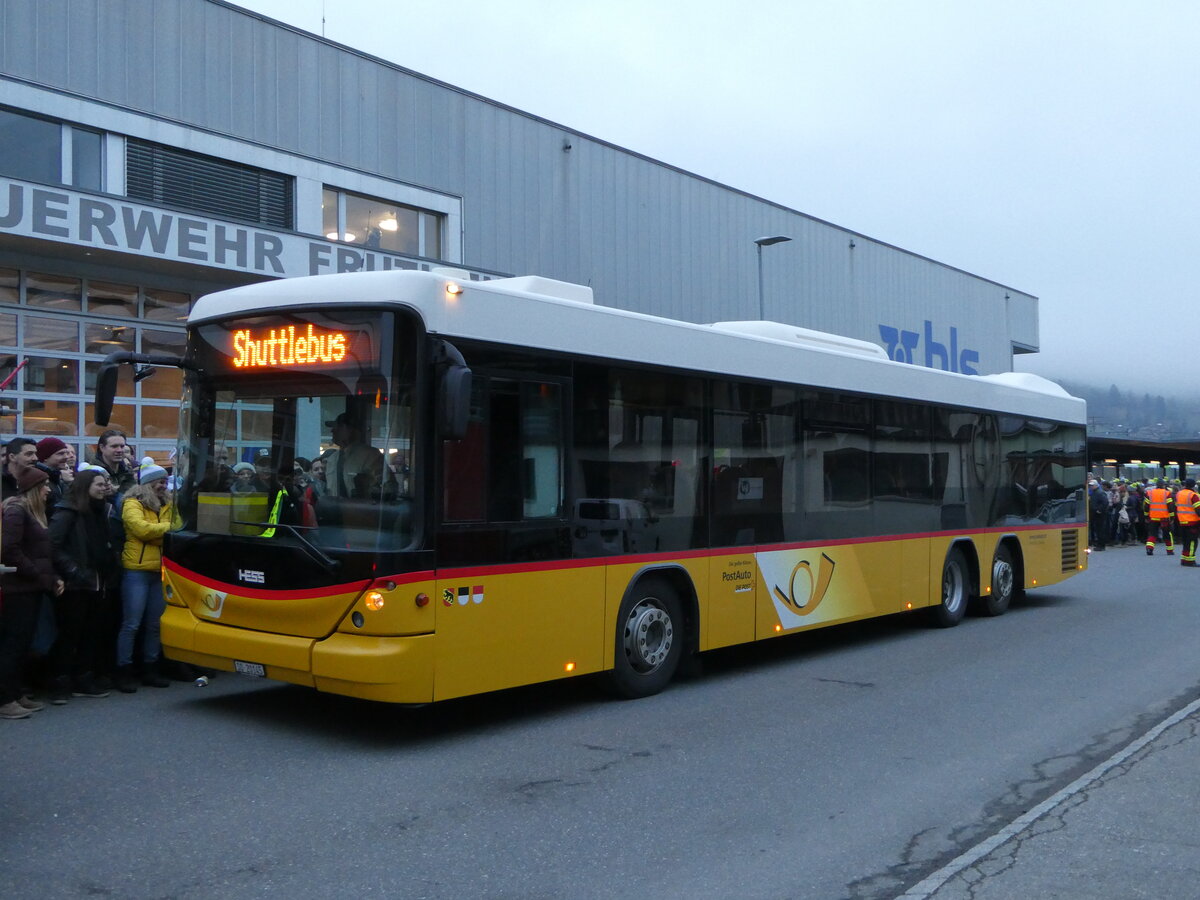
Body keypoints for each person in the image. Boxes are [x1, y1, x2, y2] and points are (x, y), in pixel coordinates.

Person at [47, 469, 119, 702]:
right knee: (70, 634)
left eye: (106, 483)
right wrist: (73, 572)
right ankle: (60, 681)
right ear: (85, 486)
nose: (104, 487)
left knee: (92, 633)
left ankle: (83, 678)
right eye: (99, 483)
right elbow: (53, 545)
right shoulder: (67, 511)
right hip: (76, 584)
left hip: (100, 581)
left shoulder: (104, 510)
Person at [0, 467, 63, 719]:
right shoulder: (17, 511)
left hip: (31, 587)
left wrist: (52, 576)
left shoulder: (33, 512)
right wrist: (38, 575)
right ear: (34, 489)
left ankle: (15, 693)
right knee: (12, 645)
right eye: (45, 485)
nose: (48, 489)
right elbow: (9, 550)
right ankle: (5, 699)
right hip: (18, 588)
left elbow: (42, 553)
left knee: (22, 643)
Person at [115, 459, 174, 692]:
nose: (163, 485)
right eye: (159, 481)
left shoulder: (169, 503)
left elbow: (170, 528)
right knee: (131, 624)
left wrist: (160, 532)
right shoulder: (132, 502)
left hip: (160, 570)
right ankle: (123, 670)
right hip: (136, 571)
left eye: (165, 481)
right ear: (148, 483)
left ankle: (151, 668)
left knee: (154, 624)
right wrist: (168, 529)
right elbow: (142, 530)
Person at [323, 413, 383, 499]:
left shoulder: (370, 455)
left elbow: (388, 487)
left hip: (362, 510)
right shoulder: (332, 459)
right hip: (335, 511)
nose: (332, 431)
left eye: (339, 427)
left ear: (350, 429)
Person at [89, 429, 136, 496]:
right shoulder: (92, 472)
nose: (119, 450)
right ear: (102, 447)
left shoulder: (127, 470)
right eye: (114, 446)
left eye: (122, 446)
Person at [1143, 478, 1175, 556]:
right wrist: (1172, 517)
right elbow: (1170, 507)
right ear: (1163, 485)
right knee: (1167, 534)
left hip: (1153, 517)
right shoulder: (1167, 493)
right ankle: (1169, 550)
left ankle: (1149, 548)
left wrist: (1146, 516)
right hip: (1164, 518)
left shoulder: (1149, 493)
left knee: (1152, 534)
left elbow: (1146, 506)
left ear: (1156, 485)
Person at [1174, 478, 1200, 567]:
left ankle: (1184, 559)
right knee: (1193, 542)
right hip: (1192, 522)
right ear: (1193, 485)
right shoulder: (1193, 495)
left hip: (1182, 521)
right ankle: (1190, 561)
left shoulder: (1179, 493)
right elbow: (1198, 510)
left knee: (1185, 542)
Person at [1087, 479, 1108, 551]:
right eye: (1090, 485)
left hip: (1100, 514)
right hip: (1096, 513)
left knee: (1100, 529)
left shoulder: (1100, 492)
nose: (1090, 487)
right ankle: (1099, 543)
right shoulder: (1095, 492)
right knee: (1098, 529)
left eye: (1092, 485)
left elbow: (1105, 502)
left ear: (1096, 485)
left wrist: (1099, 510)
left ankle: (1101, 545)